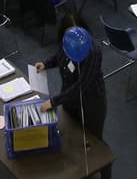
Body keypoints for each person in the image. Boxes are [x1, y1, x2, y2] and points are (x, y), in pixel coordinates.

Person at [35, 16, 110, 179]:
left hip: (91, 100)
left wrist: (54, 101)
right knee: (72, 132)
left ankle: (106, 171)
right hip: (69, 97)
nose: (72, 39)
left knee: (94, 139)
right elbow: (59, 57)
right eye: (68, 34)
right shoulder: (67, 43)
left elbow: (82, 85)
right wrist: (46, 64)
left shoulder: (92, 52)